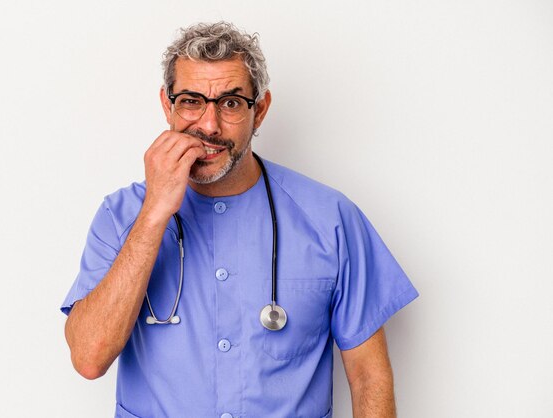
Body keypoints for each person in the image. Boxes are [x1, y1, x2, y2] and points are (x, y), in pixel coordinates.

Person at [61, 21, 418, 418]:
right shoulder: (121, 216)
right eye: (191, 101)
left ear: (260, 110)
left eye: (230, 103)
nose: (209, 126)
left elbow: (369, 377)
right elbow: (88, 358)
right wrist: (155, 213)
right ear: (168, 105)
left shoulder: (331, 220)